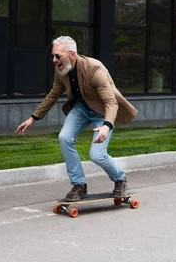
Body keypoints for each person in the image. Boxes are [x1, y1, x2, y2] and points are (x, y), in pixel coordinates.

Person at [16, 36, 138, 202]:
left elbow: (110, 102)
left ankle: (120, 179)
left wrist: (107, 126)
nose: (53, 60)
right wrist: (33, 118)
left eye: (57, 56)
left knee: (97, 155)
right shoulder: (61, 70)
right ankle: (79, 185)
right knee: (64, 137)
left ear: (71, 55)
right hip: (81, 108)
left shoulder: (94, 69)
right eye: (52, 56)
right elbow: (53, 94)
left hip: (102, 111)